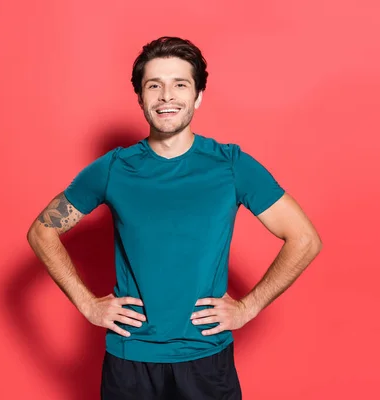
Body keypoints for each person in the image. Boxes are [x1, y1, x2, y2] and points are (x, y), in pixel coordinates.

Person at [26, 36, 322, 400]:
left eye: (180, 84)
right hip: (129, 363)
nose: (167, 96)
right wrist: (87, 304)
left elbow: (305, 239)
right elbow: (42, 232)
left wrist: (248, 306)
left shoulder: (230, 165)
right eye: (155, 85)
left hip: (206, 361)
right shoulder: (114, 168)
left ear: (197, 96)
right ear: (140, 97)